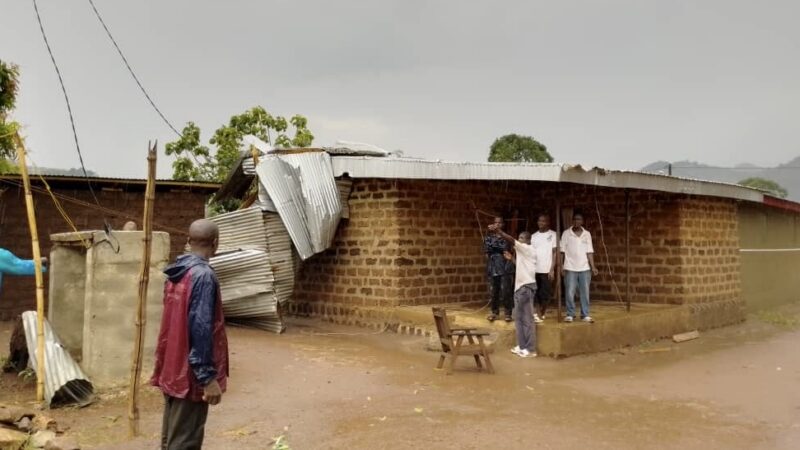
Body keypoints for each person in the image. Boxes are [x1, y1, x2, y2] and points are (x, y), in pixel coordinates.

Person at [151, 219, 229, 450]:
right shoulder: (203, 276)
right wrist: (207, 378)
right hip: (189, 377)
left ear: (188, 241)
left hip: (172, 368)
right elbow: (201, 328)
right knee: (184, 442)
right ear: (215, 243)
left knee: (171, 439)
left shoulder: (176, 274)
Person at [490, 224, 538, 358]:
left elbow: (511, 239)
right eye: (519, 238)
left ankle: (530, 349)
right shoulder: (525, 252)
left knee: (527, 319)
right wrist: (512, 259)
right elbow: (521, 266)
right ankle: (522, 346)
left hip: (525, 288)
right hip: (522, 288)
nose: (519, 240)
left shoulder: (527, 248)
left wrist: (499, 231)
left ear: (528, 241)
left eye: (522, 238)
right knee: (519, 318)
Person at [560, 212, 599, 323]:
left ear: (582, 221)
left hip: (585, 267)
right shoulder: (566, 233)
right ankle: (570, 314)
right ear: (572, 220)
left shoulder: (587, 234)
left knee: (585, 292)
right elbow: (562, 252)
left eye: (579, 219)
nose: (577, 221)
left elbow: (589, 252)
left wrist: (593, 266)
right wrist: (561, 266)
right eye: (575, 219)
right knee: (569, 292)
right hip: (570, 267)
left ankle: (585, 314)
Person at [484, 217, 513, 322]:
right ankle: (494, 312)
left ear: (503, 224)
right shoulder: (489, 237)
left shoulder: (506, 237)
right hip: (493, 266)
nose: (497, 224)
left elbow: (504, 248)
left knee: (506, 291)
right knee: (494, 291)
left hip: (504, 266)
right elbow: (487, 250)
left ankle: (508, 313)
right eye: (495, 223)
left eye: (499, 223)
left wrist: (495, 248)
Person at [530, 214, 557, 323]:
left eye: (543, 221)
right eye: (539, 221)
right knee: (535, 292)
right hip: (535, 269)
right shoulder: (533, 236)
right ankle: (537, 313)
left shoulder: (553, 235)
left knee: (546, 293)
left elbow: (555, 253)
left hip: (546, 270)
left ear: (548, 222)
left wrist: (552, 269)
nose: (540, 223)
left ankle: (542, 311)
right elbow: (530, 252)